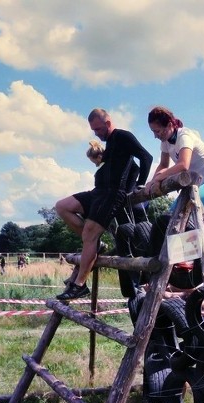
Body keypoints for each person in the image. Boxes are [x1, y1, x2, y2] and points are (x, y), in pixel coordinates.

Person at [55, 108, 153, 301]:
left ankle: (79, 285)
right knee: (62, 206)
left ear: (108, 123)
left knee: (90, 232)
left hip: (112, 194)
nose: (96, 134)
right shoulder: (110, 145)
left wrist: (139, 185)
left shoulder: (123, 136)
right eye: (93, 130)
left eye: (98, 129)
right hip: (97, 193)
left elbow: (146, 157)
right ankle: (94, 244)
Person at [144, 106, 204, 267]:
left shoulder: (184, 136)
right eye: (153, 132)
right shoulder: (166, 143)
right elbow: (163, 165)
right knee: (171, 213)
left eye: (158, 131)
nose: (156, 136)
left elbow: (183, 165)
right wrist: (152, 181)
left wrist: (161, 177)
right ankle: (177, 259)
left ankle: (192, 256)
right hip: (196, 184)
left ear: (170, 125)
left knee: (186, 208)